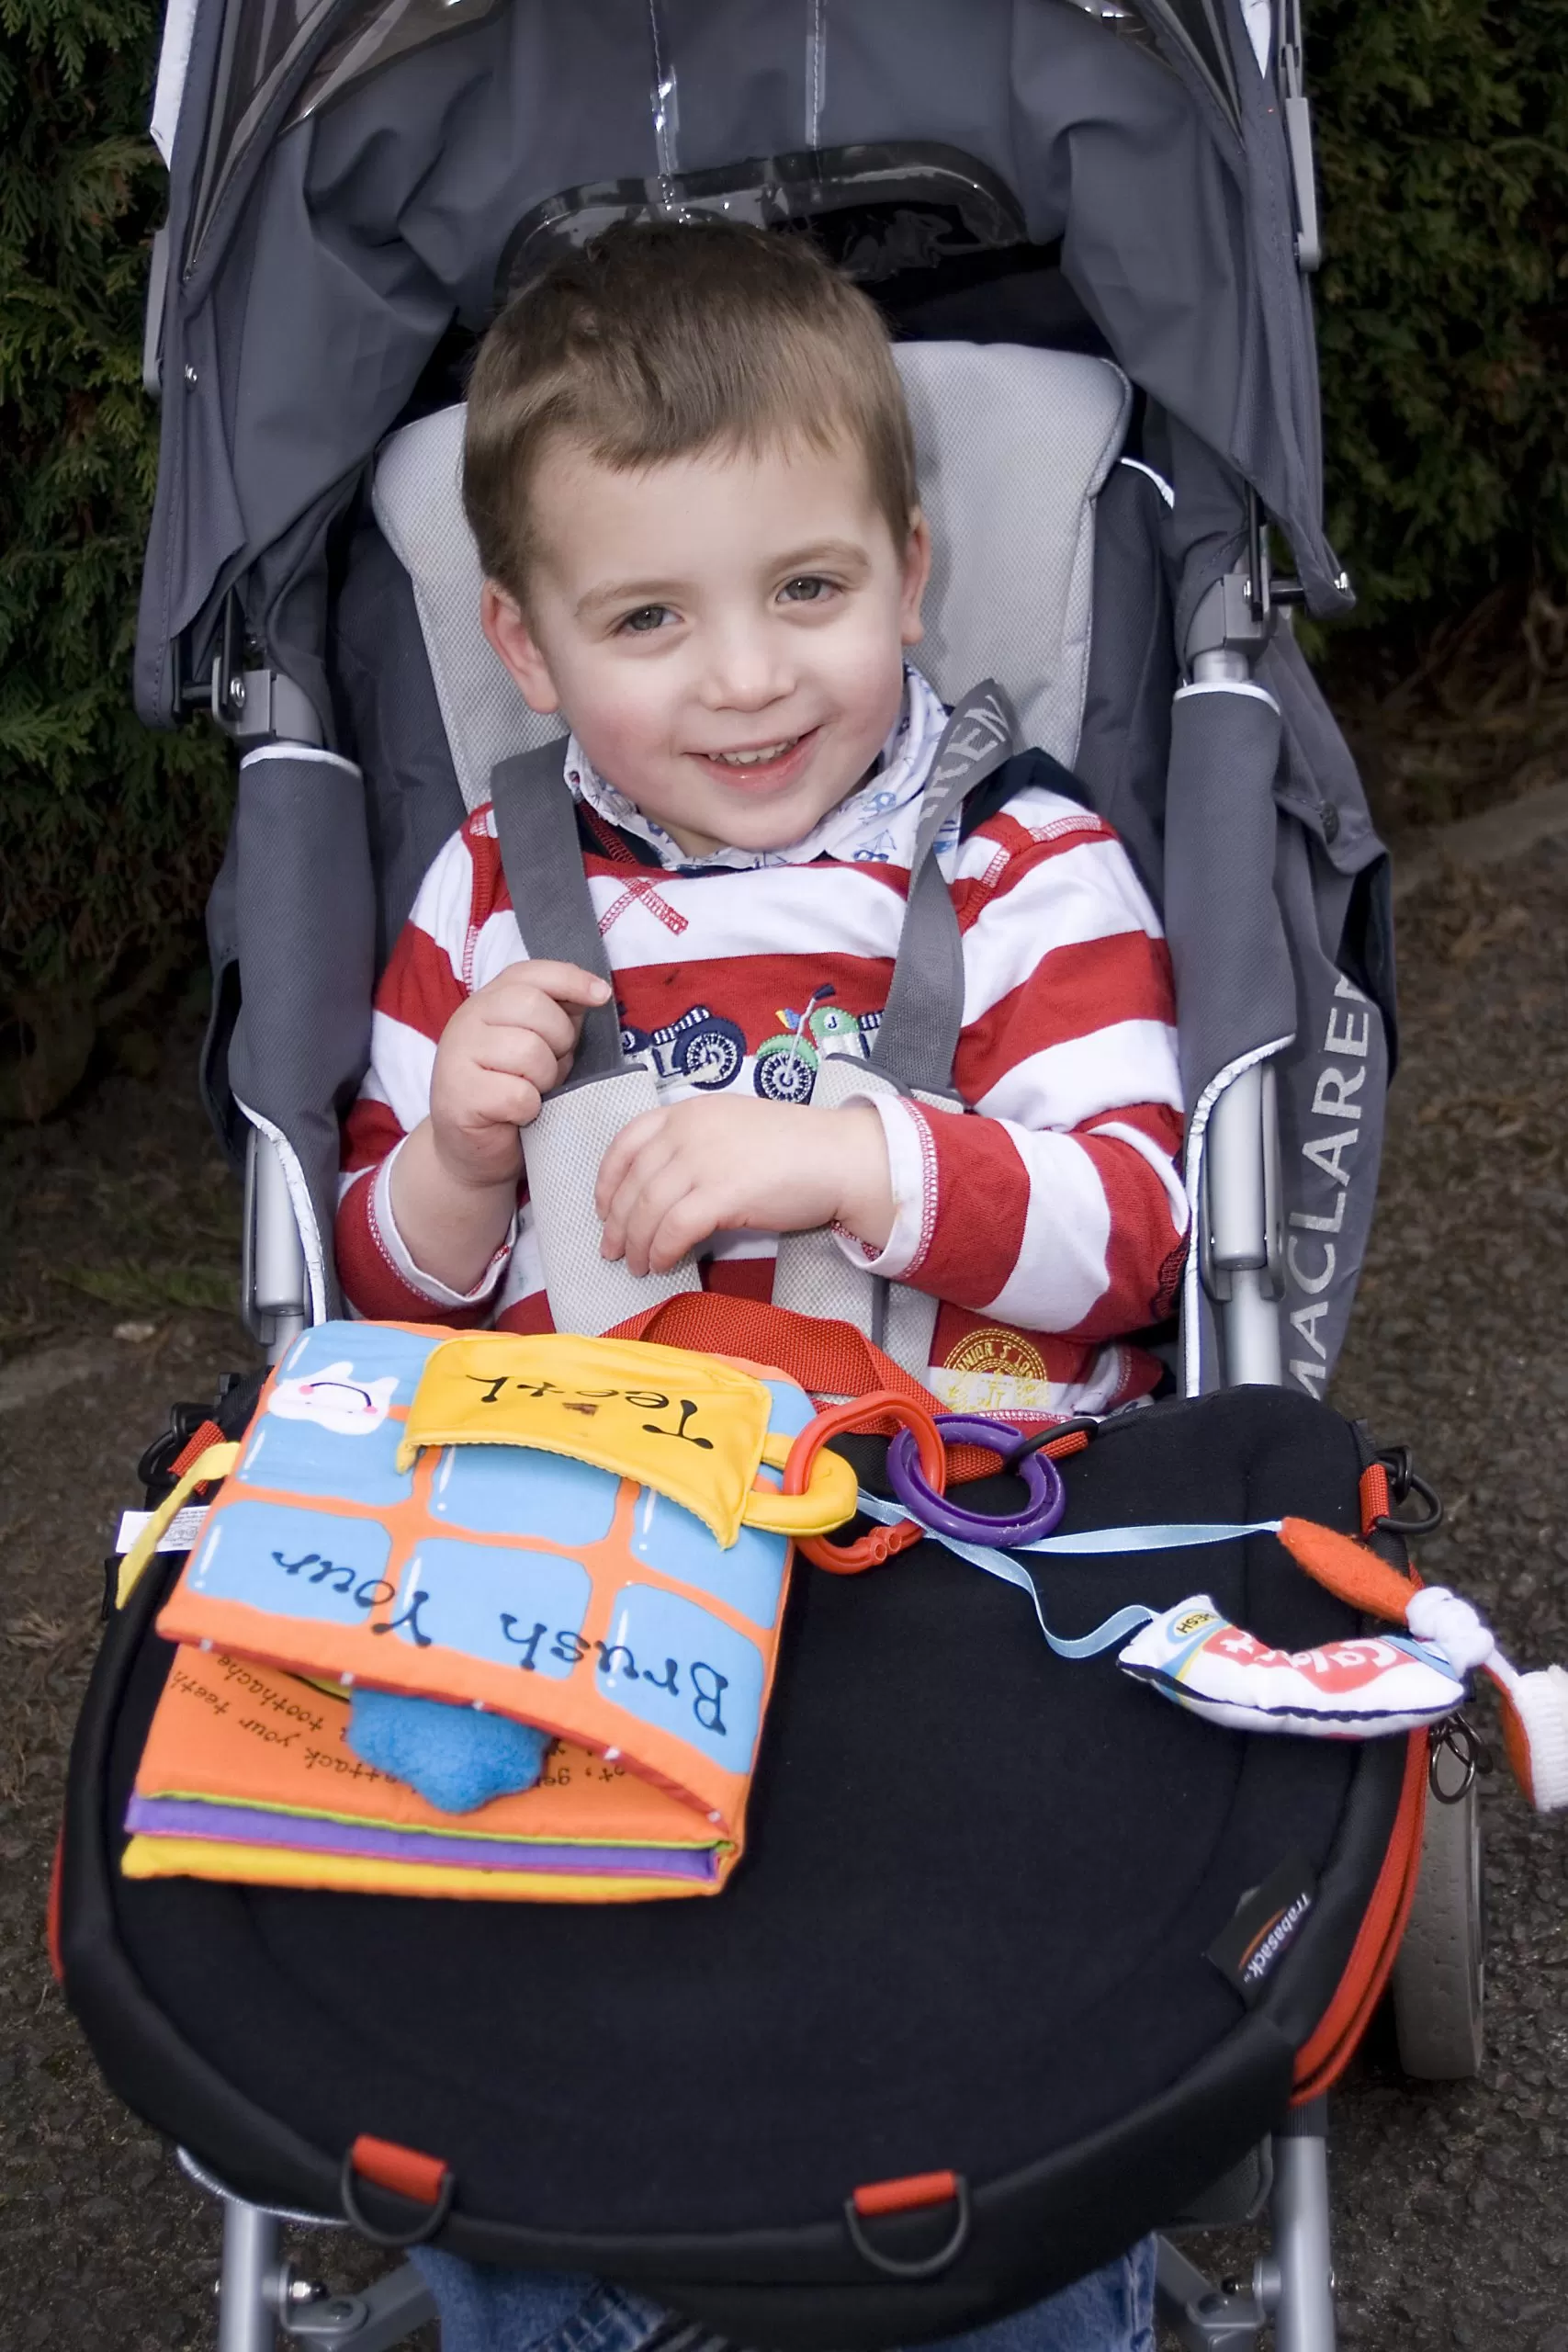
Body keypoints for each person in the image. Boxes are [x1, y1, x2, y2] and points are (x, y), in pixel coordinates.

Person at [338, 218, 1177, 2351]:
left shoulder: (1015, 862)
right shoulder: (486, 892)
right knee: (428, 1927)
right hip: (583, 1562)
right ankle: (587, 2299)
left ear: (912, 568)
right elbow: (383, 1313)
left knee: (1027, 1968)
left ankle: (1002, 2288)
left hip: (960, 1532)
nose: (743, 677)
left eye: (807, 592)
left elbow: (1133, 1224)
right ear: (527, 652)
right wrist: (450, 1159)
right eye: (649, 618)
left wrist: (857, 1157)